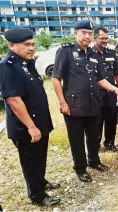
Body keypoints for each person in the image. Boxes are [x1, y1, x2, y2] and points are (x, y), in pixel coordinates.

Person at [52, 20, 118, 182]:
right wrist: (62, 102)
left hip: (94, 103)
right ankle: (80, 168)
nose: (87, 36)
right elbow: (56, 79)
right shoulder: (66, 52)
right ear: (75, 34)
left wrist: (116, 89)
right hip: (74, 106)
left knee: (93, 137)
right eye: (83, 33)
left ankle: (94, 161)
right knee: (77, 139)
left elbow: (100, 79)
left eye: (89, 33)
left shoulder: (93, 55)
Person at [0, 28, 60, 206]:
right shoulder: (7, 66)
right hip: (26, 128)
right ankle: (37, 195)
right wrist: (31, 127)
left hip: (39, 122)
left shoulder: (26, 63)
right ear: (11, 45)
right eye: (26, 45)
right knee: (30, 162)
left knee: (40, 157)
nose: (31, 48)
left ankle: (40, 182)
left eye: (33, 44)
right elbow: (13, 100)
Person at [93, 27, 118, 152]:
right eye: (102, 38)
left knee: (111, 119)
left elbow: (117, 73)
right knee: (97, 121)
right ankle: (95, 146)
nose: (105, 41)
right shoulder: (90, 53)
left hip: (111, 93)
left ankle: (109, 143)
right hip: (96, 94)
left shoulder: (111, 52)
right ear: (95, 37)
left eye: (107, 38)